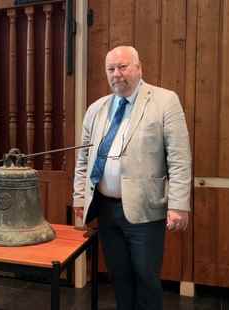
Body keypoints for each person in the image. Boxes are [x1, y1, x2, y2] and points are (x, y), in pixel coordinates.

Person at [73, 46, 192, 310]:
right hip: (105, 208)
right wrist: (79, 198)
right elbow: (83, 159)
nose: (117, 74)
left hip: (145, 210)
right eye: (111, 69)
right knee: (119, 277)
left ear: (139, 68)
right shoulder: (96, 109)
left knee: (146, 278)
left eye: (123, 67)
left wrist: (178, 205)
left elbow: (179, 158)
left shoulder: (164, 101)